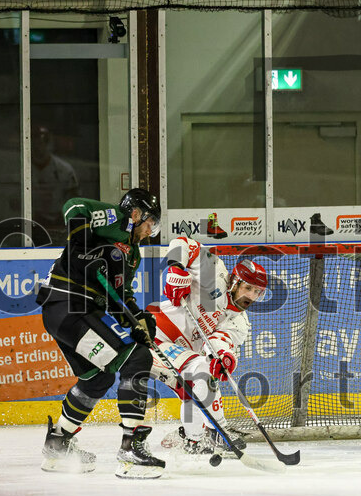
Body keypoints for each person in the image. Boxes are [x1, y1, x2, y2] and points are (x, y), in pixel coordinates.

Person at [36, 188, 165, 478]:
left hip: (72, 312)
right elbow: (74, 206)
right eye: (150, 223)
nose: (150, 231)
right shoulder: (116, 218)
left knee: (98, 377)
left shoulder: (133, 255)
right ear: (136, 214)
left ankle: (58, 444)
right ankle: (130, 451)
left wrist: (138, 319)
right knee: (137, 358)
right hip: (69, 304)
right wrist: (80, 240)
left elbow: (121, 296)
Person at [151, 236, 267, 455]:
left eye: (257, 292)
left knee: (200, 380)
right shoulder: (214, 274)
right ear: (234, 283)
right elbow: (182, 242)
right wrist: (176, 268)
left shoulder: (240, 323)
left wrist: (223, 357)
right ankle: (216, 432)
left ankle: (192, 438)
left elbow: (217, 343)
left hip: (179, 354)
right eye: (248, 288)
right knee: (200, 374)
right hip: (153, 335)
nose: (251, 296)